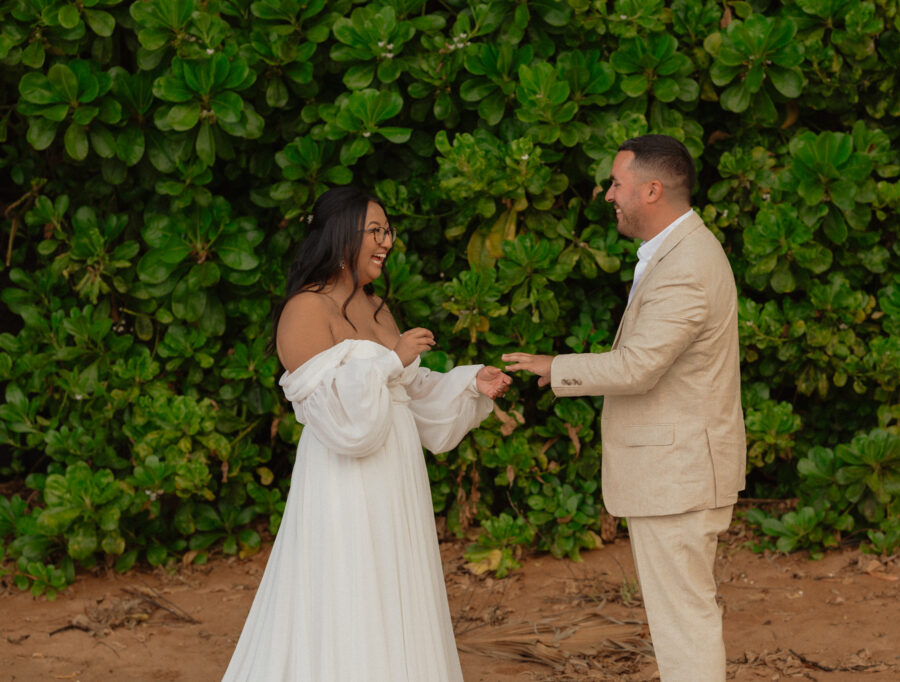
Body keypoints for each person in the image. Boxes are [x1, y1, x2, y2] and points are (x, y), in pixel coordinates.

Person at [223, 186, 511, 681]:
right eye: (374, 231)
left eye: (387, 231)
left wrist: (469, 383)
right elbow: (337, 417)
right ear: (339, 235)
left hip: (396, 476)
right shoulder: (304, 312)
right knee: (350, 589)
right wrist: (390, 360)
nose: (386, 242)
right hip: (345, 482)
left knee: (398, 588)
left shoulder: (376, 308)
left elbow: (412, 394)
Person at [502, 135, 746, 682]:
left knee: (684, 620)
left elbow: (638, 367)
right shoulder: (677, 252)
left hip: (678, 473)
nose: (608, 194)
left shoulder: (686, 264)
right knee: (682, 617)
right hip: (676, 471)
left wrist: (553, 367)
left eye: (617, 183)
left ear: (652, 190)